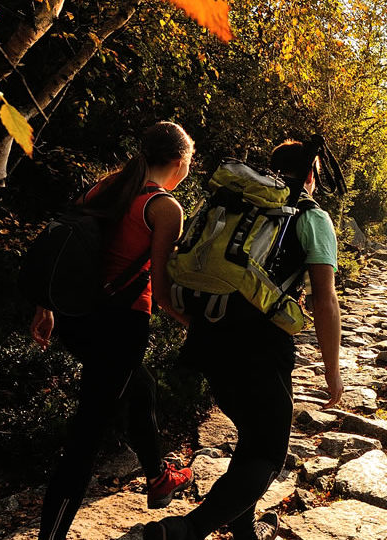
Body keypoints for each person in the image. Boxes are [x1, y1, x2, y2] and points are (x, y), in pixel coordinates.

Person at [142, 139, 344, 540]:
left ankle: (242, 526)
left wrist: (203, 324)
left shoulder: (230, 204)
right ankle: (185, 529)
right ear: (309, 174)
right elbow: (324, 298)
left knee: (251, 436)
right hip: (261, 345)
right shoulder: (309, 215)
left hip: (208, 336)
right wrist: (333, 372)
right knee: (269, 452)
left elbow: (169, 283)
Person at [31, 121, 196, 540]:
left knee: (140, 386)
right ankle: (50, 536)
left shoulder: (105, 187)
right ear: (180, 162)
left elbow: (62, 251)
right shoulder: (163, 208)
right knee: (86, 437)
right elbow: (161, 292)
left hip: (77, 318)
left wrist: (45, 306)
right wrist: (199, 326)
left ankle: (158, 477)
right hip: (120, 326)